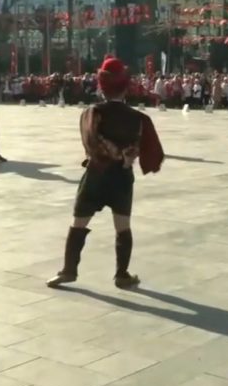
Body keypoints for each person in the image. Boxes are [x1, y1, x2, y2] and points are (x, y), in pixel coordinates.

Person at [47, 57, 164, 289]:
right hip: (122, 177)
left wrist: (113, 154)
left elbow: (91, 141)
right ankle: (122, 274)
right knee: (123, 227)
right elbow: (150, 151)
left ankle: (69, 270)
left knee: (78, 223)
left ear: (102, 86)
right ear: (125, 86)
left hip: (96, 175)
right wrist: (127, 157)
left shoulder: (93, 113)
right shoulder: (139, 118)